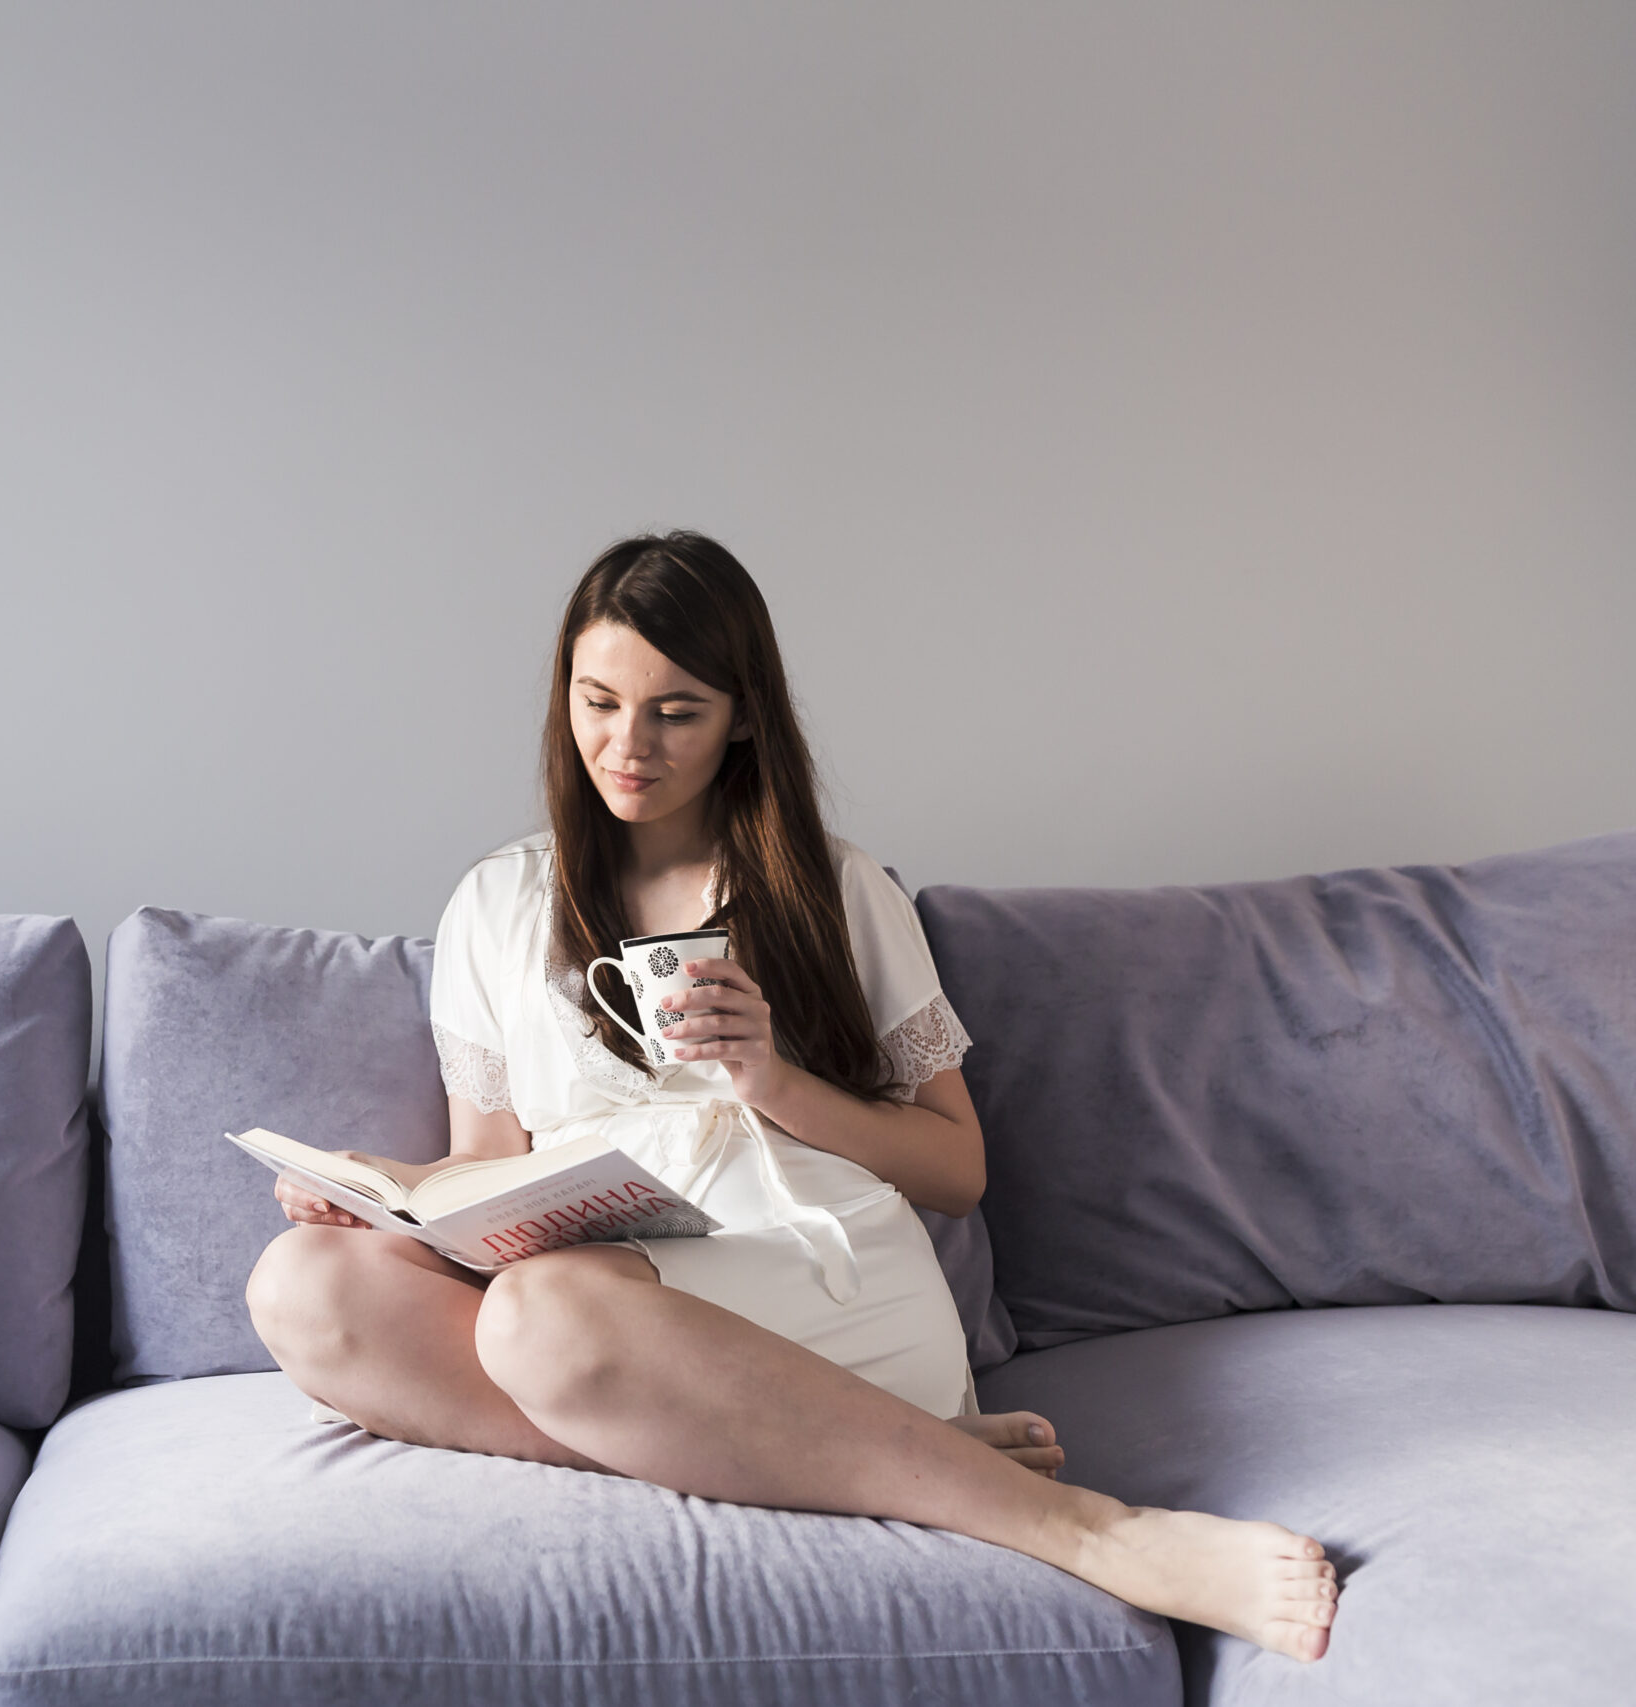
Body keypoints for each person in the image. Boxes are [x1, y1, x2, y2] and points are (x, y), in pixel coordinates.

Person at [245, 531, 1337, 1662]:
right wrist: (385, 1188)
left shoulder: (836, 885)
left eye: (676, 711)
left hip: (803, 1269)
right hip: (609, 1289)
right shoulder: (496, 901)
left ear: (742, 717)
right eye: (599, 700)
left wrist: (771, 1079)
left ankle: (1093, 1533)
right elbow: (487, 1156)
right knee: (303, 1288)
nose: (628, 744)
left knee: (541, 1312)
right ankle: (906, 1454)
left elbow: (956, 1172)